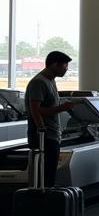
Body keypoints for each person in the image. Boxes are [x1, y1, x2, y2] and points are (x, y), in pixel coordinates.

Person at [25, 50, 76, 187]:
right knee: (45, 174)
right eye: (64, 65)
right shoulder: (39, 82)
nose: (66, 69)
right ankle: (43, 201)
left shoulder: (50, 80)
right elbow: (35, 109)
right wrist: (42, 128)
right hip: (43, 136)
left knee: (50, 172)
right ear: (54, 65)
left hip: (52, 134)